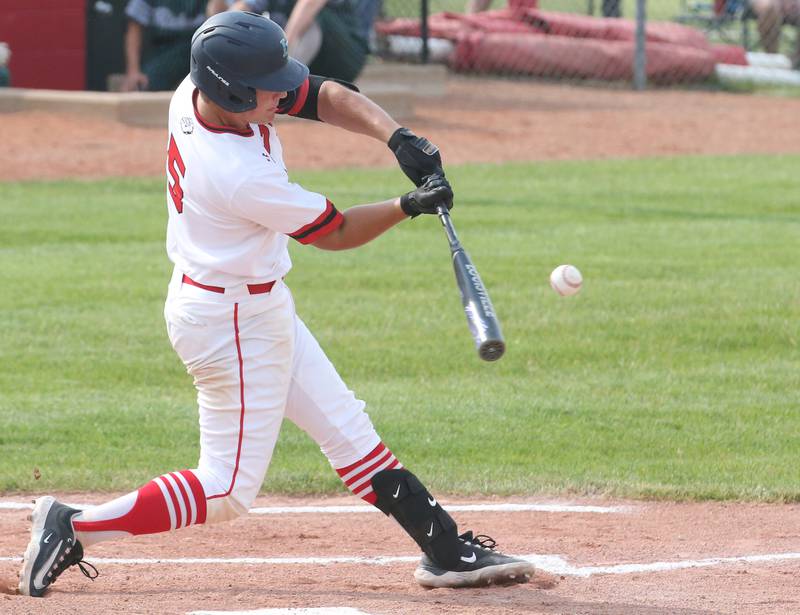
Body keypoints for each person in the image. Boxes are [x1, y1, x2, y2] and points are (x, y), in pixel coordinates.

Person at [18, 11, 536, 598]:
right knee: (228, 489)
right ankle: (76, 527)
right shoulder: (236, 175)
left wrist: (396, 136)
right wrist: (407, 205)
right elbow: (335, 232)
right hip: (228, 323)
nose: (283, 93)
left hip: (255, 306)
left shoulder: (203, 89)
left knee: (348, 430)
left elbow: (323, 94)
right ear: (234, 90)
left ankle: (446, 549)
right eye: (269, 87)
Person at [207, 0, 368, 81]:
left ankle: (284, 80)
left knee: (310, 19)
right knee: (250, 23)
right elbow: (243, 7)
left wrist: (284, 44)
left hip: (345, 52)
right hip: (302, 53)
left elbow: (311, 3)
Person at [122, 0, 207, 92]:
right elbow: (134, 27)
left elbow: (220, 21)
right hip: (163, 52)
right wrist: (133, 71)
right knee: (142, 86)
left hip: (202, 52)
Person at [750, 0, 800, 68]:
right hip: (773, 7)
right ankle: (772, 59)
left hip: (796, 10)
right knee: (770, 10)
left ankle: (796, 61)